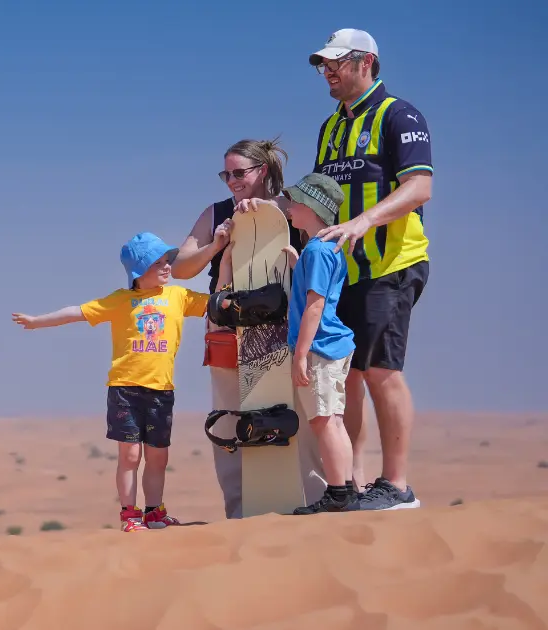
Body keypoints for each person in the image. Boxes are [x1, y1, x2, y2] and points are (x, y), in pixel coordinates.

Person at [306, 28, 431, 510]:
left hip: (392, 262)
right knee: (348, 375)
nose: (329, 72)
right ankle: (351, 487)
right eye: (324, 65)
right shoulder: (330, 127)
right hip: (344, 272)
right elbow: (318, 196)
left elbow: (419, 188)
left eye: (338, 62)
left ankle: (397, 486)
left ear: (367, 62)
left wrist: (364, 221)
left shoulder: (399, 114)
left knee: (381, 370)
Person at [171, 139, 327, 519]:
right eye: (227, 174)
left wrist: (274, 215)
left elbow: (324, 245)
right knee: (228, 415)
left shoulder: (292, 208)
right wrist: (219, 241)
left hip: (285, 326)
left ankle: (314, 500)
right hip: (226, 325)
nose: (231, 181)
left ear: (264, 170)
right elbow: (181, 267)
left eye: (239, 173)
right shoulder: (216, 213)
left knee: (298, 413)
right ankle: (239, 511)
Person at [12, 232, 209, 531]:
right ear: (139, 270)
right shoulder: (121, 300)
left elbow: (218, 302)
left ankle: (155, 512)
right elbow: (77, 312)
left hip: (161, 390)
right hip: (125, 390)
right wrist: (37, 321)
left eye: (167, 260)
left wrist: (222, 247)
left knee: (158, 456)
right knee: (130, 455)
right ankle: (130, 515)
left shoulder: (179, 297)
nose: (167, 267)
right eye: (158, 263)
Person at [220, 174, 358, 514]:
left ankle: (339, 493)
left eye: (294, 203)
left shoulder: (318, 250)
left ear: (311, 207)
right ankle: (345, 490)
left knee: (324, 421)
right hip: (332, 346)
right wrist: (299, 266)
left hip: (320, 347)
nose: (289, 210)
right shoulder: (326, 249)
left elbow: (314, 305)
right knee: (332, 419)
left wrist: (299, 355)